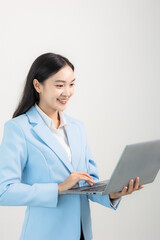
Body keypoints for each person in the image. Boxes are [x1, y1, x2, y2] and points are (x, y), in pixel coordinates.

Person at [0, 53, 144, 240]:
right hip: (45, 234)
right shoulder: (19, 129)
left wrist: (113, 192)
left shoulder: (77, 128)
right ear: (38, 86)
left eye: (72, 84)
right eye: (59, 85)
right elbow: (4, 191)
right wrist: (58, 188)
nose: (67, 92)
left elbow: (88, 184)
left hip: (82, 234)